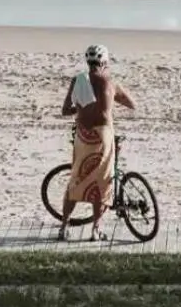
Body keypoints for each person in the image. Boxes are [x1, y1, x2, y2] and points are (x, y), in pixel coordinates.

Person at [57, 43, 134, 241]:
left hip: (83, 136)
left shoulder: (78, 80)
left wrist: (82, 109)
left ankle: (64, 227)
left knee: (76, 179)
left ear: (88, 61)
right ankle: (95, 230)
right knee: (102, 182)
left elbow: (65, 110)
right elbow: (132, 104)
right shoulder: (110, 83)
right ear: (105, 62)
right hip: (103, 136)